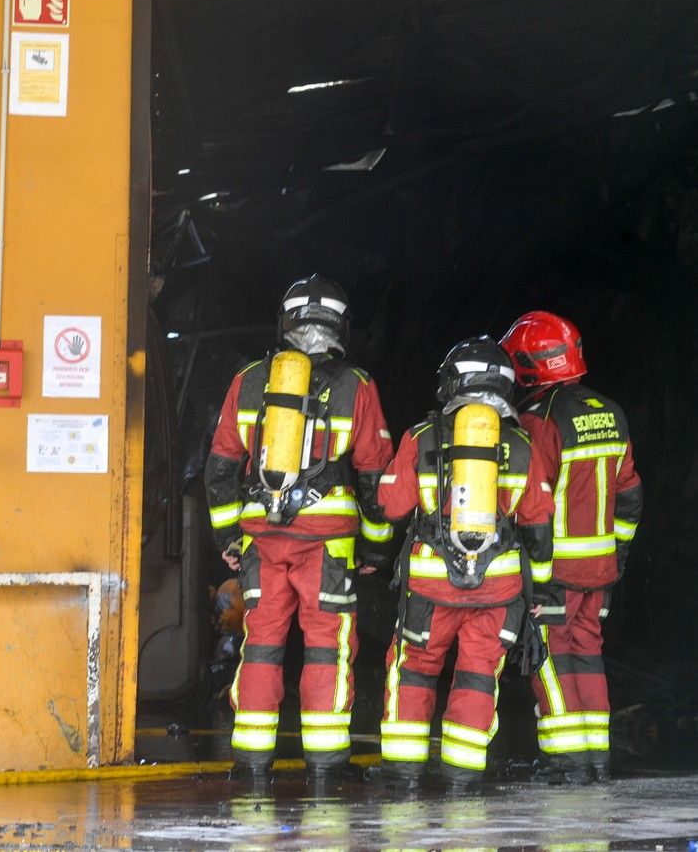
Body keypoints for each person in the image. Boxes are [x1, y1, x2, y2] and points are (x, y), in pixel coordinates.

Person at [205, 273, 394, 784]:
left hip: (261, 539)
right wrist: (377, 548)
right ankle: (326, 765)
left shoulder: (247, 381)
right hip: (328, 542)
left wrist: (228, 538)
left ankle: (251, 759)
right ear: (340, 325)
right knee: (327, 645)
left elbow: (220, 468)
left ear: (285, 323)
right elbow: (375, 474)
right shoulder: (356, 385)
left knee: (261, 643)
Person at [376, 336, 555, 791]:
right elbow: (538, 525)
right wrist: (539, 591)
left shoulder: (421, 436)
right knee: (478, 676)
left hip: (431, 588)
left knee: (414, 668)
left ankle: (403, 774)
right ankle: (462, 777)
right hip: (498, 591)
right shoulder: (522, 444)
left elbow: (392, 506)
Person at [500, 311, 642, 783]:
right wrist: (618, 555)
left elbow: (532, 504)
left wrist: (533, 575)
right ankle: (596, 757)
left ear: (528, 367)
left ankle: (565, 760)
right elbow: (630, 495)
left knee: (548, 654)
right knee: (587, 654)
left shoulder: (539, 421)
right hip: (600, 570)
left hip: (556, 568)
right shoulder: (611, 412)